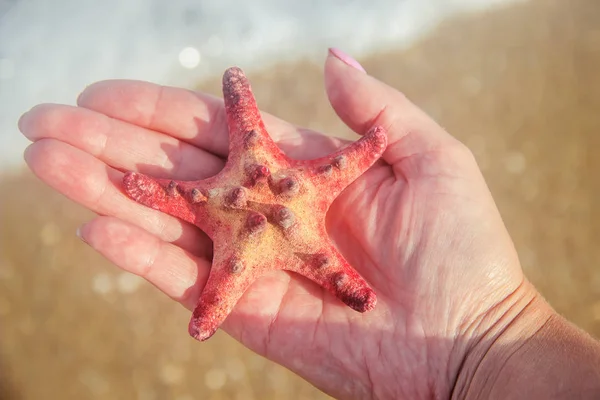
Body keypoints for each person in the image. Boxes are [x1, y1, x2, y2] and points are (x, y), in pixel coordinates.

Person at [18, 48, 600, 399]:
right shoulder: (291, 184)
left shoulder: (286, 206)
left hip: (261, 230)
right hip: (267, 216)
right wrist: (483, 351)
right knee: (165, 196)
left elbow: (344, 160)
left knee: (178, 206)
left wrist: (479, 357)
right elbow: (333, 153)